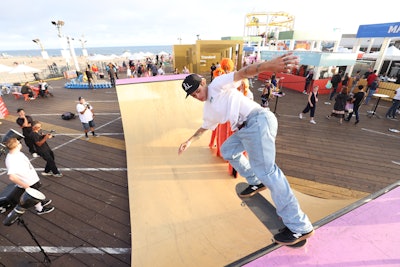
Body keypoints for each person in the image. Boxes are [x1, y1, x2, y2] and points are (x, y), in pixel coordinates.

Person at [178, 53, 314, 246]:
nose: (197, 97)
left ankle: (300, 226)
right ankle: (255, 180)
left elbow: (244, 72)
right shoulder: (208, 109)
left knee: (270, 172)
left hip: (257, 121)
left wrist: (269, 65)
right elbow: (205, 127)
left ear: (202, 82)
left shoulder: (218, 84)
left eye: (197, 91)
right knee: (228, 149)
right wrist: (189, 140)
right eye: (193, 96)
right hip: (245, 130)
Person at [4, 137, 54, 215]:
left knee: (36, 190)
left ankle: (40, 201)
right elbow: (12, 176)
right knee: (33, 195)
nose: (20, 143)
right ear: (16, 146)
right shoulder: (11, 159)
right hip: (27, 181)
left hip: (31, 178)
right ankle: (39, 209)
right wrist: (25, 185)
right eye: (19, 142)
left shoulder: (17, 153)